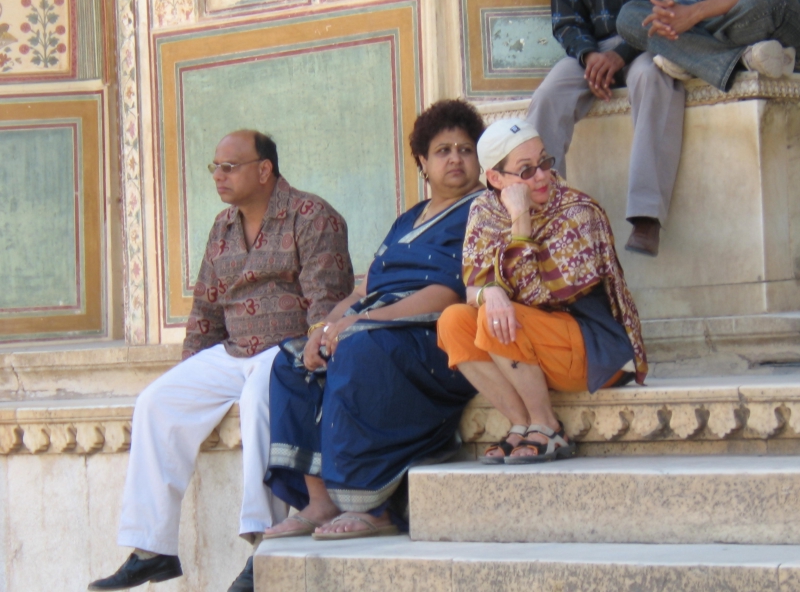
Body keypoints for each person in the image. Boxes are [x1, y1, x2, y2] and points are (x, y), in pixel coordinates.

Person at [87, 130, 354, 592]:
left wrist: (314, 354)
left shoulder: (312, 217)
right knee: (156, 402)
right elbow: (206, 310)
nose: (219, 175)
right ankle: (152, 549)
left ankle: (263, 546)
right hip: (232, 352)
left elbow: (324, 302)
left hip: (287, 350)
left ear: (264, 170)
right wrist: (189, 370)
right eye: (215, 167)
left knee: (258, 400)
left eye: (230, 166)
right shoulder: (222, 226)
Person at [260, 99, 483, 541]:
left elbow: (446, 293)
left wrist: (363, 324)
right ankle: (319, 500)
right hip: (375, 323)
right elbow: (364, 289)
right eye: (443, 150)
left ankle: (374, 506)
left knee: (360, 349)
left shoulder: (481, 212)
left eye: (465, 149)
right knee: (291, 359)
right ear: (423, 161)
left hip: (428, 334)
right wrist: (324, 328)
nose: (455, 158)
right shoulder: (407, 219)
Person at [437, 118, 647, 464]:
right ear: (496, 179)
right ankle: (521, 424)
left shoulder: (577, 211)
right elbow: (472, 288)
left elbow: (535, 295)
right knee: (452, 321)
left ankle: (547, 426)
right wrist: (489, 292)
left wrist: (520, 218)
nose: (541, 176)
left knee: (495, 313)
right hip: (527, 350)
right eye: (526, 170)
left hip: (590, 351)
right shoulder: (484, 210)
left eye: (545, 163)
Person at [524, 0, 700, 257]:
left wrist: (622, 53)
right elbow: (566, 21)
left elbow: (681, 4)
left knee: (652, 78)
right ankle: (544, 213)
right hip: (593, 51)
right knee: (548, 97)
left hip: (651, 45)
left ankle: (646, 215)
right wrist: (589, 56)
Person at [617, 0, 799, 91]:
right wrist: (669, 10)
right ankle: (742, 58)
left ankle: (689, 56)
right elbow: (681, 7)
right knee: (628, 16)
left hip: (770, 17)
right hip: (713, 29)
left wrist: (696, 12)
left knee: (775, 0)